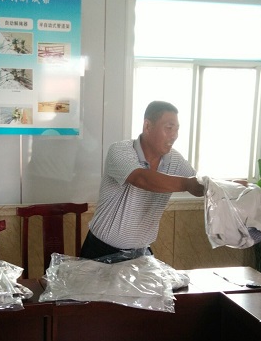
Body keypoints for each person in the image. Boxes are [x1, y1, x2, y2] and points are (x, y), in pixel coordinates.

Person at [81, 100, 204, 261]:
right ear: (147, 126)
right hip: (101, 251)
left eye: (177, 129)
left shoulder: (174, 159)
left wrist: (229, 188)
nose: (174, 135)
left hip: (140, 253)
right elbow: (141, 178)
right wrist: (186, 184)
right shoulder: (120, 150)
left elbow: (199, 184)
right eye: (169, 128)